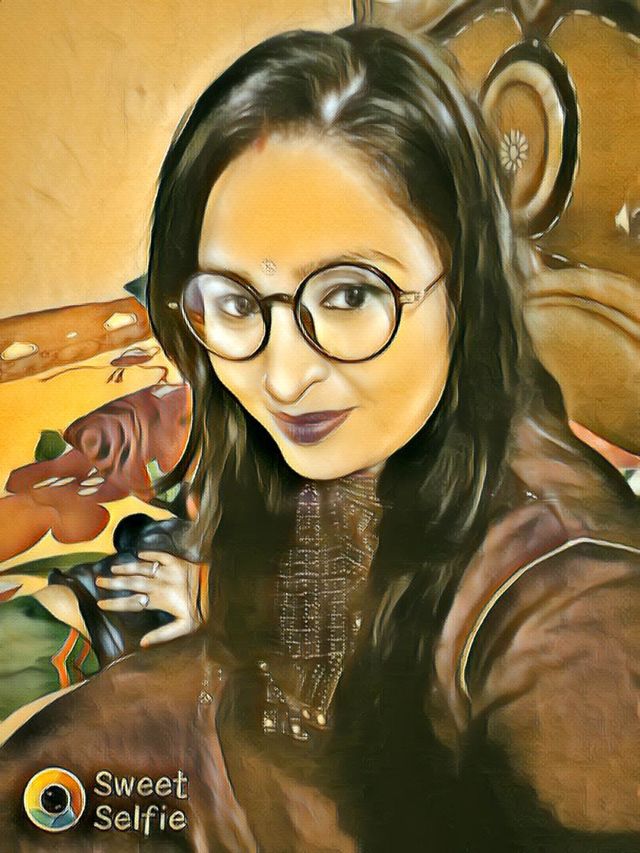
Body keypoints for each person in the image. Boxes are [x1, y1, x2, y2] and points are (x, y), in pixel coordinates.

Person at [1, 25, 639, 852]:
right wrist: (222, 603)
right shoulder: (340, 438)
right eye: (236, 300)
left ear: (465, 280)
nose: (282, 377)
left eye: (348, 295)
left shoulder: (573, 615)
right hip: (222, 743)